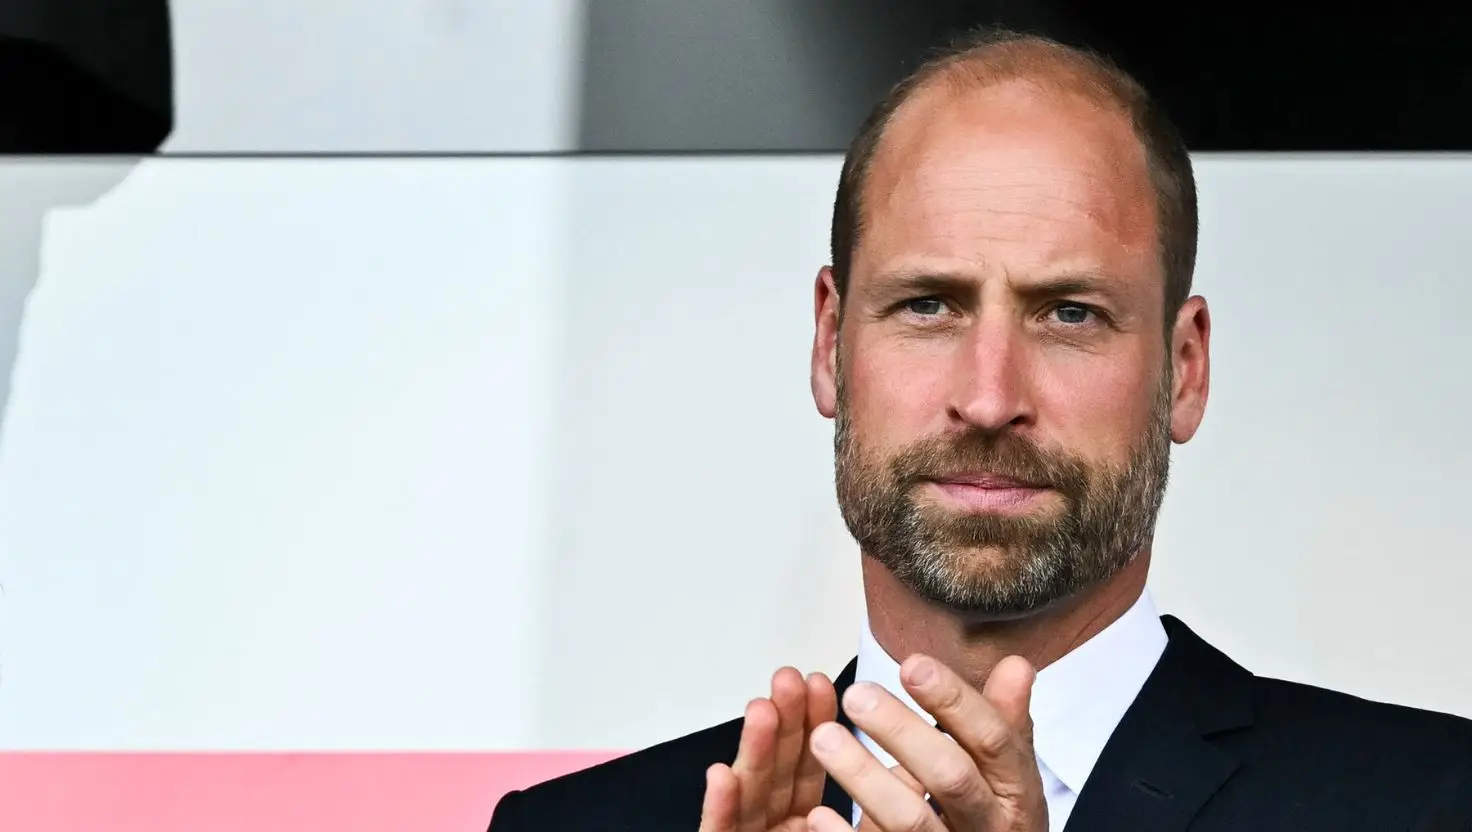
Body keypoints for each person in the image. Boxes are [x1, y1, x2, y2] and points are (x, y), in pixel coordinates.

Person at [488, 27, 1472, 832]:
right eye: (927, 305)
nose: (989, 394)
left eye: (1068, 313)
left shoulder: (1430, 801)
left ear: (1183, 368)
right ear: (831, 345)